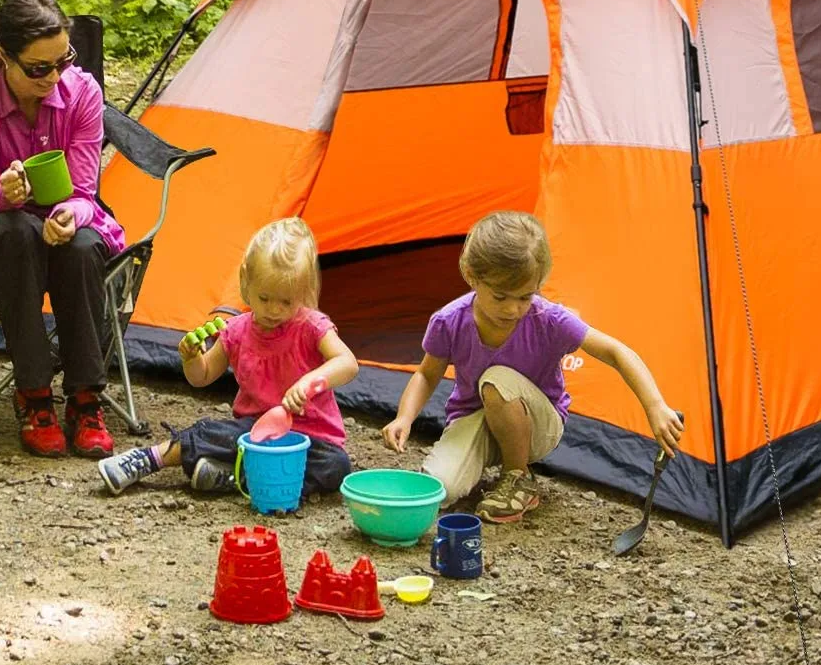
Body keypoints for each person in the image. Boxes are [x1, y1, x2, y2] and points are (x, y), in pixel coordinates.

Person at [382, 210, 684, 524]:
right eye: (500, 297)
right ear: (472, 275)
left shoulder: (549, 319)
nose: (513, 309)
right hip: (476, 418)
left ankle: (518, 477)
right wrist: (404, 417)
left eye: (526, 296)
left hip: (539, 424)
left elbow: (617, 352)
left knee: (496, 380)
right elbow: (426, 373)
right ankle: (485, 468)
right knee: (439, 491)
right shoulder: (450, 321)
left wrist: (655, 405)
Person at [0, 0, 123, 458]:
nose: (54, 76)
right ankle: (34, 394)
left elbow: (85, 194)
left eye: (63, 60)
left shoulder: (82, 92)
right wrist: (6, 193)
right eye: (39, 68)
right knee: (19, 231)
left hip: (66, 222)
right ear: (3, 55)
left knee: (81, 245)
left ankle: (86, 399)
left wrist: (68, 214)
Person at [97, 217, 358, 498]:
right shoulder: (236, 331)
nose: (274, 310)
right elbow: (203, 376)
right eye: (265, 297)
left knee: (336, 466)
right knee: (210, 431)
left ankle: (236, 477)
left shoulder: (310, 327)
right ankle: (149, 458)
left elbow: (348, 363)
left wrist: (309, 381)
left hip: (311, 438)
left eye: (286, 302)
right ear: (246, 281)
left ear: (304, 293)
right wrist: (192, 359)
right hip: (252, 433)